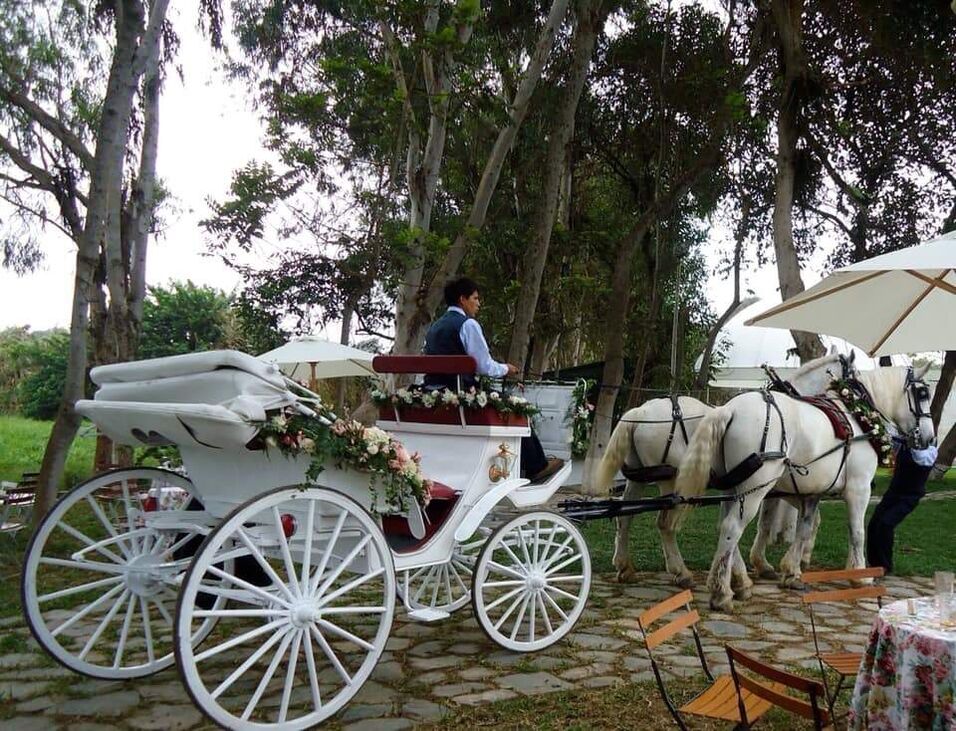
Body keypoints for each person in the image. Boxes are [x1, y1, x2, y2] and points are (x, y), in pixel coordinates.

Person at [423, 276, 564, 484]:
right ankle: (536, 466)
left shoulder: (435, 327)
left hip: (432, 391)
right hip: (461, 393)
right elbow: (484, 366)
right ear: (462, 299)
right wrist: (507, 368)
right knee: (518, 408)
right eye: (475, 298)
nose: (478, 303)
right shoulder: (468, 324)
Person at [866, 441, 937, 573]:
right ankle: (873, 563)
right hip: (893, 493)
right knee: (873, 524)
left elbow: (919, 457)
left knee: (886, 524)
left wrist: (909, 443)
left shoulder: (929, 453)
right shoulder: (904, 447)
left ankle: (885, 565)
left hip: (909, 497)